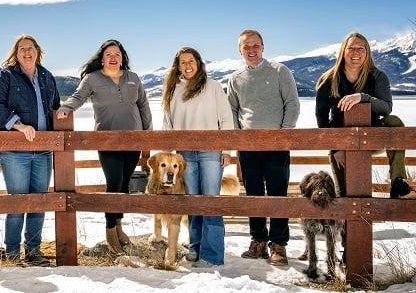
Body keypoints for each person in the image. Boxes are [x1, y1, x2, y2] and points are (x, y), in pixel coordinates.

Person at [57, 39, 152, 254]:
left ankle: (119, 225)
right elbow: (78, 97)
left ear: (122, 58)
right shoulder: (92, 79)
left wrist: (148, 134)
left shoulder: (133, 78)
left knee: (125, 184)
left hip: (134, 139)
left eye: (117, 54)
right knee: (113, 183)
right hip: (107, 140)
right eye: (109, 54)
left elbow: (144, 104)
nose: (113, 57)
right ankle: (110, 230)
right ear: (102, 58)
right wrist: (66, 108)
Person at [227, 29, 300, 266]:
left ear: (263, 47)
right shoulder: (235, 78)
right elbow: (233, 112)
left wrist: (284, 135)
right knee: (253, 195)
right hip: (248, 147)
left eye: (255, 45)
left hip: (277, 145)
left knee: (278, 195)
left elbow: (292, 104)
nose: (251, 50)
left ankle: (278, 244)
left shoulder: (279, 71)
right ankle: (258, 241)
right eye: (246, 47)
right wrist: (238, 139)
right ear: (240, 51)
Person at [315, 32, 414, 199]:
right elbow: (322, 119)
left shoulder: (377, 76)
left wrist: (363, 97)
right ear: (343, 51)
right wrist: (336, 148)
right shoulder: (328, 80)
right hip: (341, 143)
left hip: (373, 136)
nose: (356, 52)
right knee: (344, 197)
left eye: (361, 48)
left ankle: (397, 180)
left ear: (367, 52)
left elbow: (386, 108)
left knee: (394, 121)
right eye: (351, 48)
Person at [0, 35, 60, 266]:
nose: (26, 52)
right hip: (15, 151)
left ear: (38, 51)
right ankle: (11, 253)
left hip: (42, 150)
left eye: (30, 48)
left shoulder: (46, 76)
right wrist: (18, 124)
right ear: (16, 53)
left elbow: (55, 107)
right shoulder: (8, 75)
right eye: (22, 49)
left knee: (39, 201)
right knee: (18, 202)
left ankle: (33, 250)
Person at [162, 47, 234, 267]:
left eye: (191, 61)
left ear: (199, 63)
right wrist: (171, 153)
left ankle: (212, 253)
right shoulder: (173, 90)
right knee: (193, 201)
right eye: (183, 62)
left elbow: (226, 118)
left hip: (211, 151)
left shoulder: (212, 87)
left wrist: (227, 150)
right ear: (178, 66)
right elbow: (168, 124)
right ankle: (195, 247)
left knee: (211, 201)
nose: (187, 65)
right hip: (184, 154)